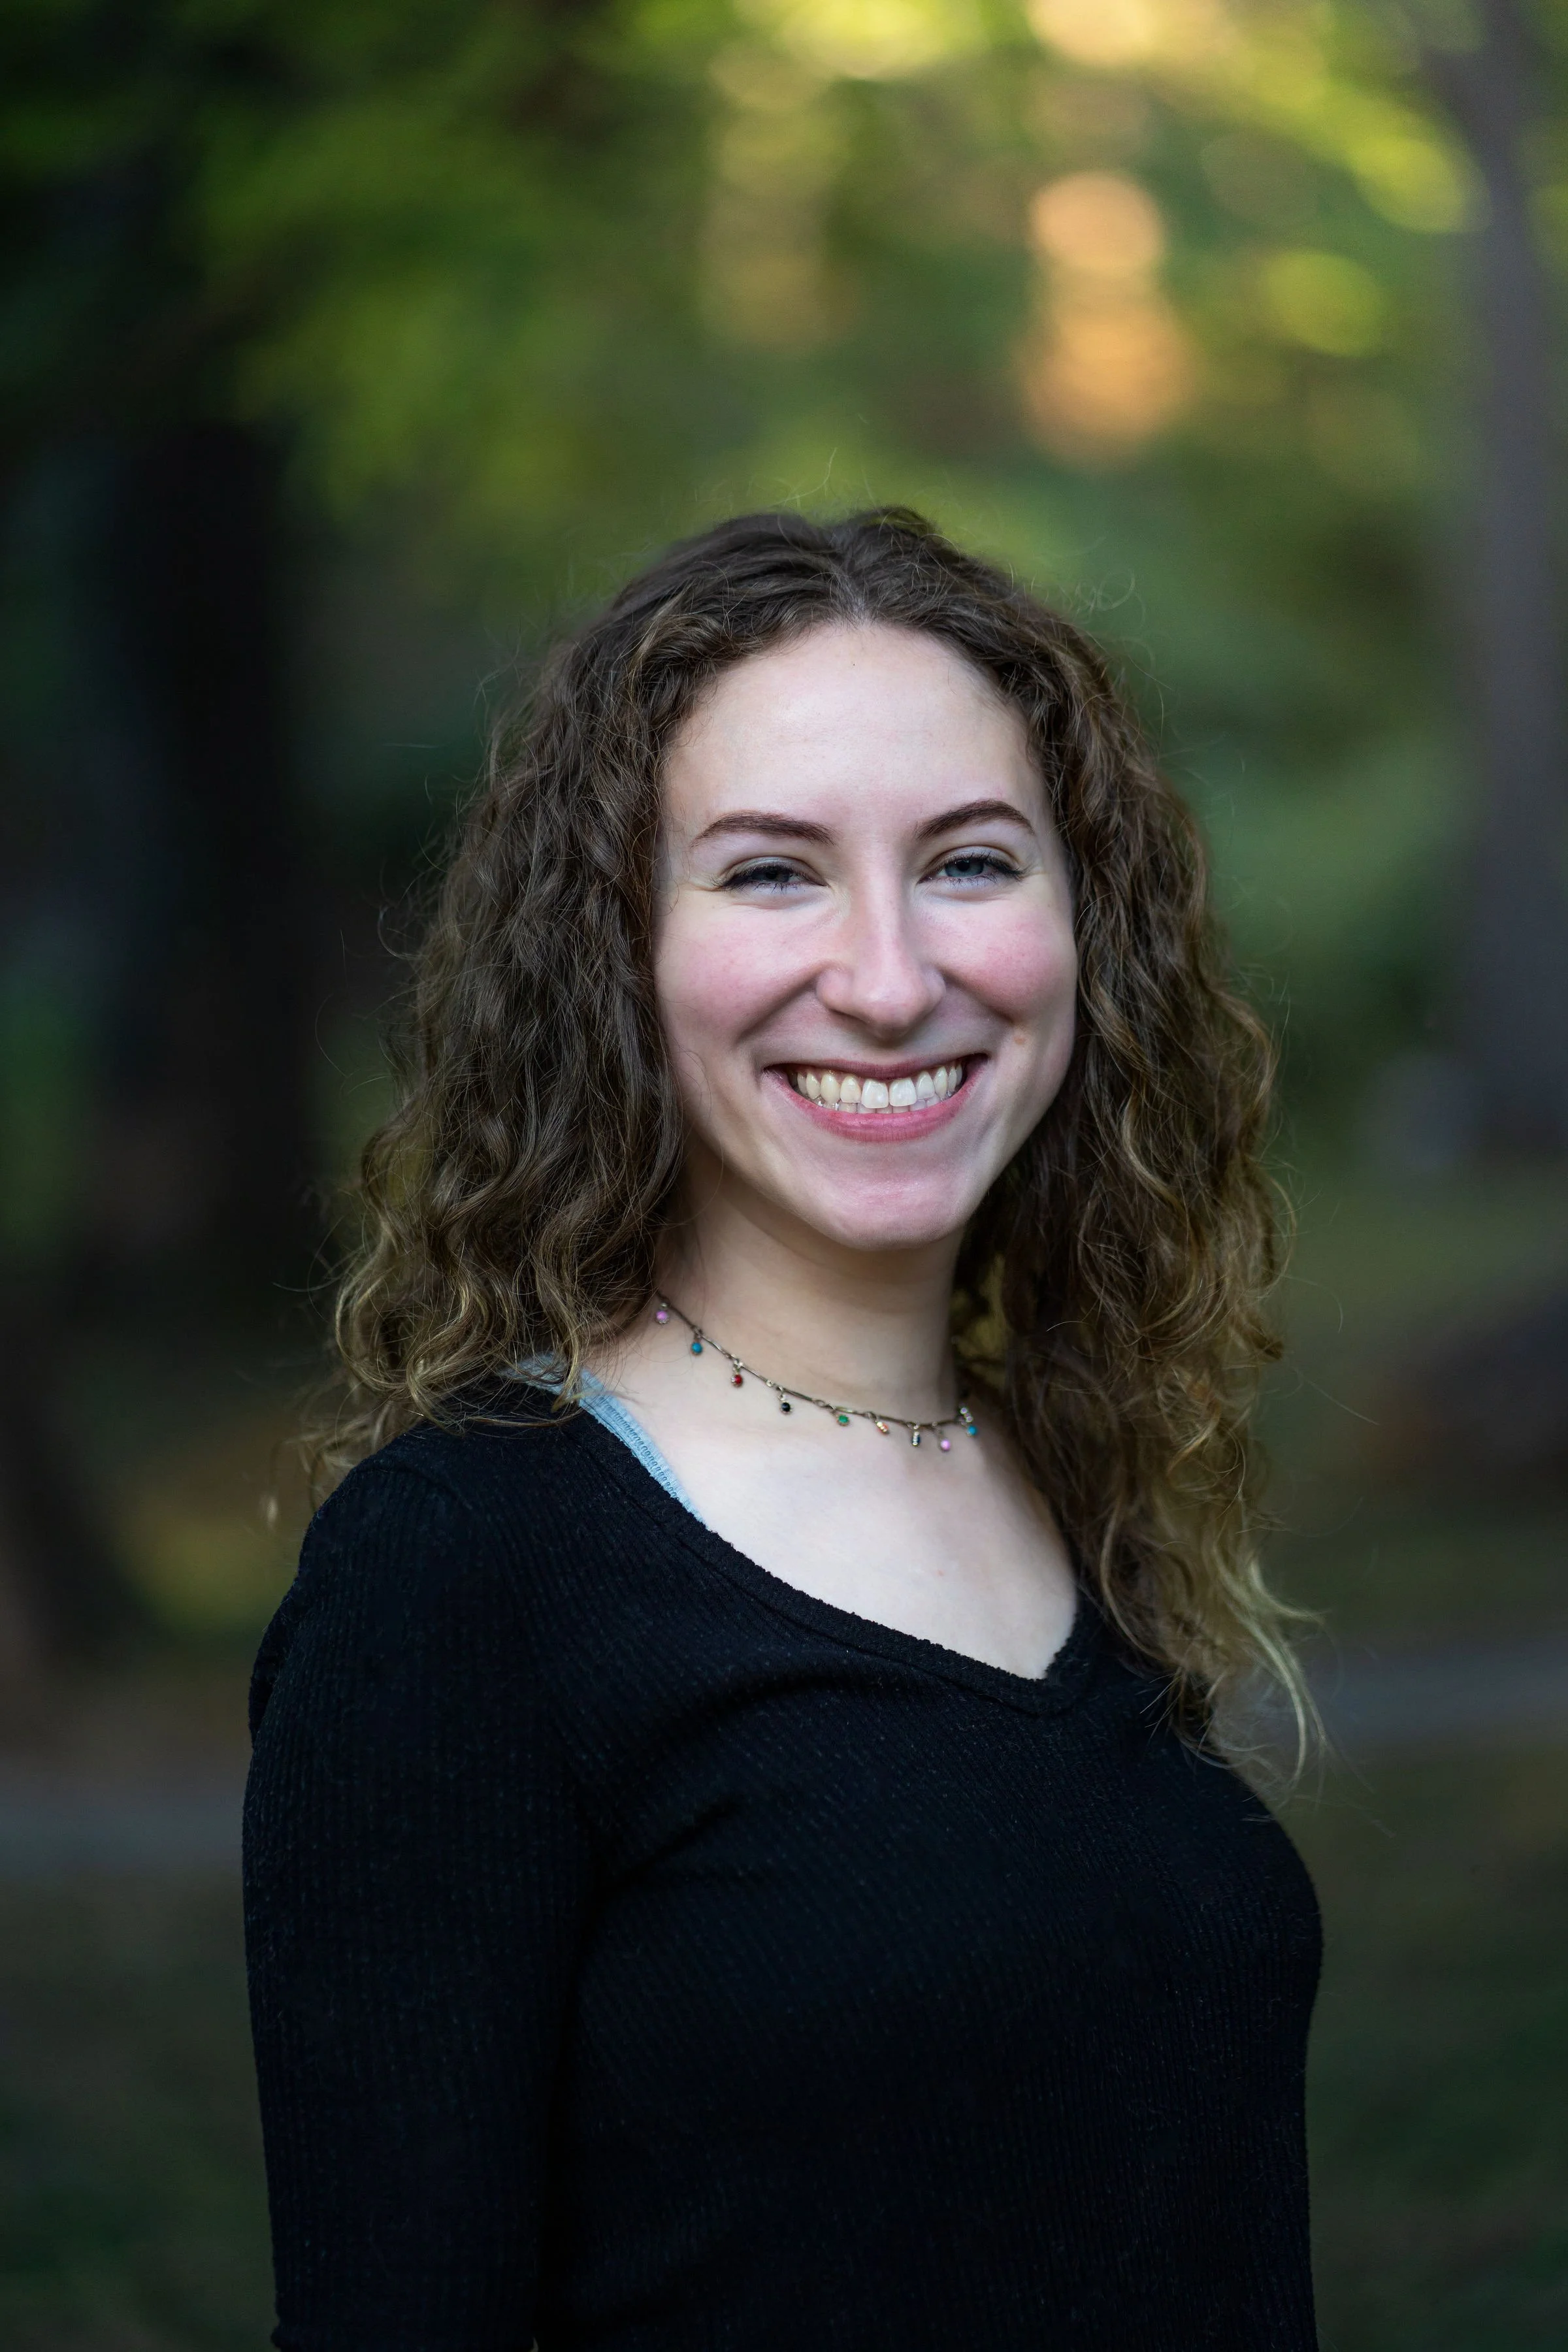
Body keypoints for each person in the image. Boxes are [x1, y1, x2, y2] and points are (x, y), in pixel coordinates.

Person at [244, 508, 1320, 2351]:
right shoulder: (463, 1573)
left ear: (1086, 923)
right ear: (615, 952)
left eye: (972, 862)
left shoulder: (1061, 1472)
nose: (894, 979)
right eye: (771, 875)